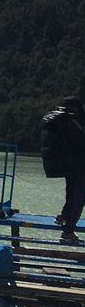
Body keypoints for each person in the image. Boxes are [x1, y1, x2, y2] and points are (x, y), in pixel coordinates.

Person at [42, 96, 85, 244]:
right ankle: (68, 232)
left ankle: (63, 216)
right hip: (80, 165)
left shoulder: (64, 121)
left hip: (68, 165)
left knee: (71, 193)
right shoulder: (76, 121)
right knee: (79, 199)